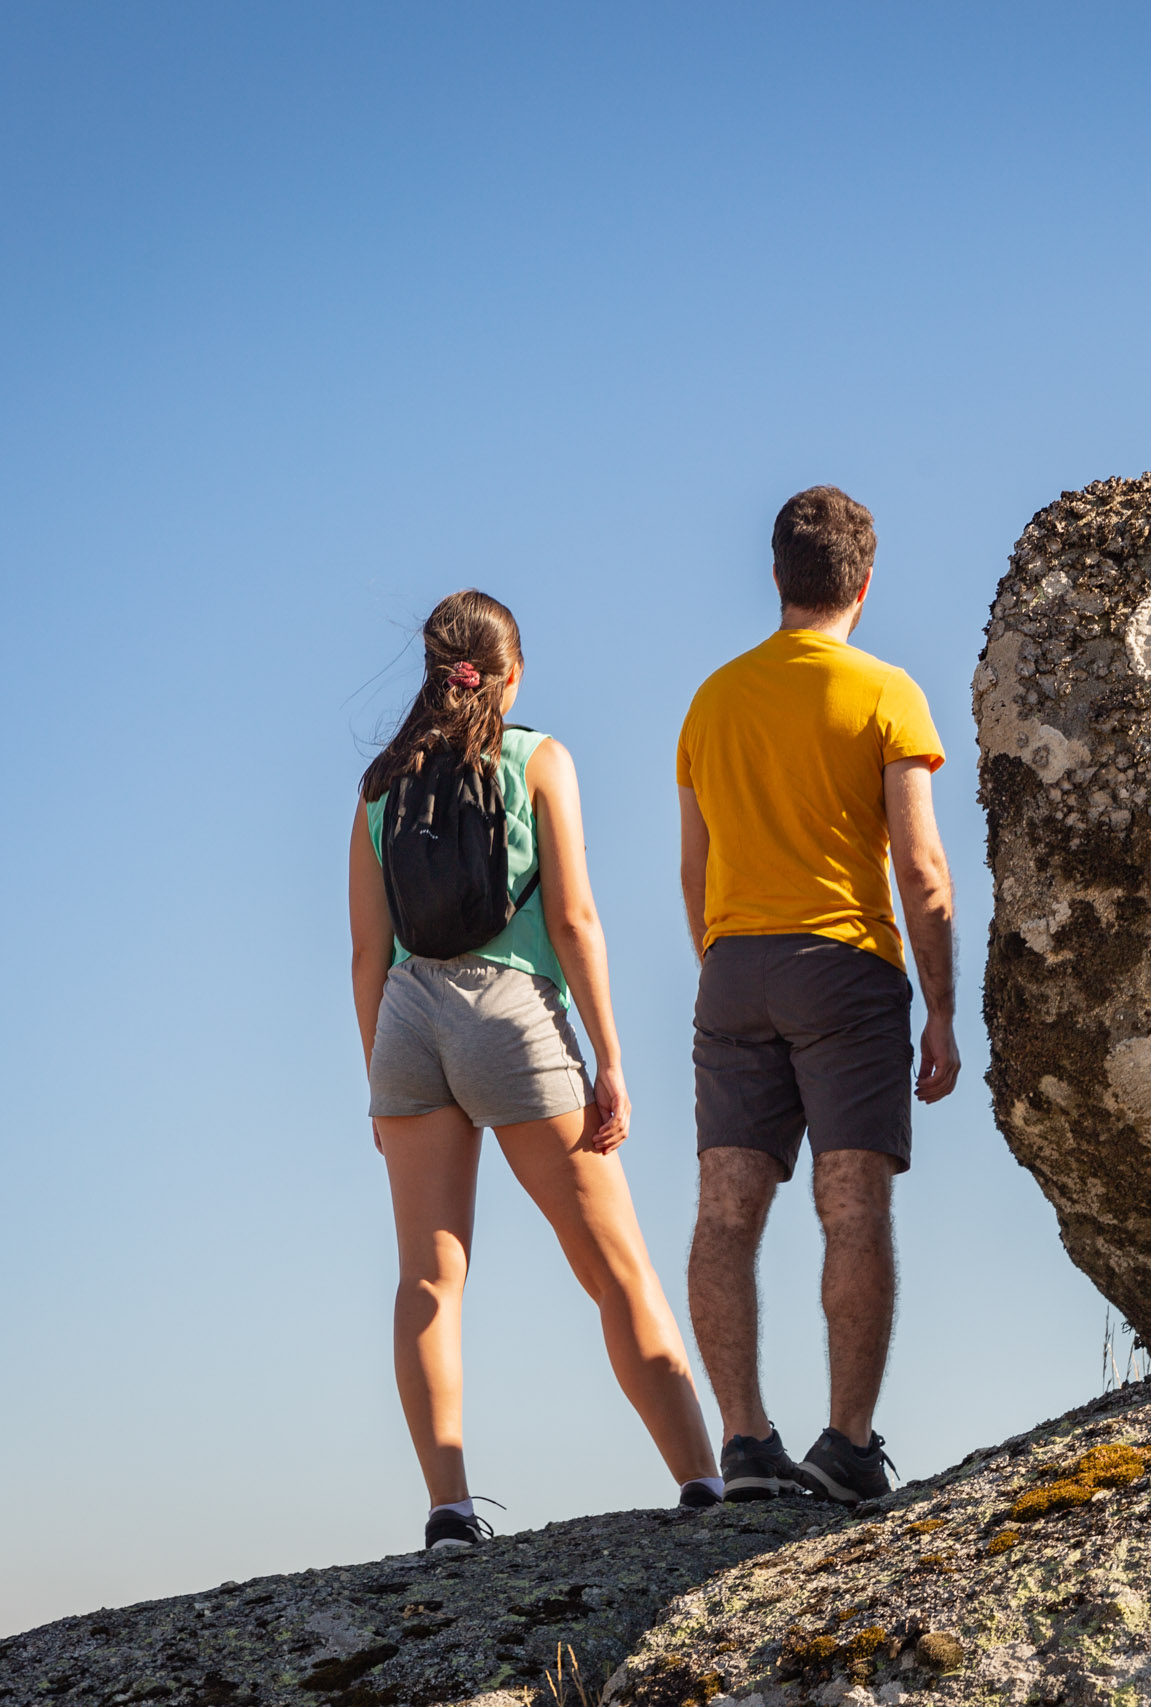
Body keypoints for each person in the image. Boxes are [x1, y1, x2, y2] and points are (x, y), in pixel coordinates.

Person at [349, 590, 721, 1553]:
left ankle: (449, 1509)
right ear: (510, 674)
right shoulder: (539, 759)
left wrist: (377, 1085)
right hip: (510, 1017)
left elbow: (365, 954)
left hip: (406, 1026)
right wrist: (610, 1056)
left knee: (429, 1279)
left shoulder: (380, 787)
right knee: (616, 1269)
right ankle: (705, 1487)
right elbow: (573, 921)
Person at [677, 486, 961, 1506]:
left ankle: (745, 1442)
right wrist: (941, 1006)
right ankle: (845, 1445)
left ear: (776, 579)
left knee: (725, 1213)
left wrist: (725, 963)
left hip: (733, 967)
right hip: (843, 968)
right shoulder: (887, 694)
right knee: (852, 1208)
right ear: (865, 582)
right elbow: (921, 870)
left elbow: (693, 869)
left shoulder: (713, 700)